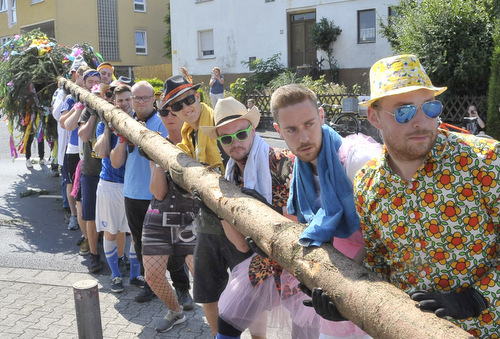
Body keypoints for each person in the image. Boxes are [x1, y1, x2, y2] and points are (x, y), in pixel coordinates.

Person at [345, 54, 496, 338]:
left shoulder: (484, 161)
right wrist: (343, 296)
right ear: (374, 117)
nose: (421, 121)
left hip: (484, 329)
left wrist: (479, 297)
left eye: (430, 108)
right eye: (404, 111)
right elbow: (379, 261)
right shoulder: (367, 183)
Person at [200, 97, 318, 339]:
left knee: (304, 334)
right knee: (226, 327)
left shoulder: (284, 163)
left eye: (241, 134)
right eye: (226, 138)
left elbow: (308, 223)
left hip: (299, 267)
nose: (235, 143)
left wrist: (266, 211)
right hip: (263, 262)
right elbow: (241, 244)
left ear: (252, 130)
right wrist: (219, 209)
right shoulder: (231, 177)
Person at [271, 84, 378, 339]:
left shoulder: (358, 160)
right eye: (292, 130)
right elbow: (302, 224)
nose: (303, 137)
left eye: (309, 124)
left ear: (321, 116)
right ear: (278, 131)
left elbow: (387, 235)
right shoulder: (299, 171)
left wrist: (345, 283)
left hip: (372, 287)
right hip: (331, 287)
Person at [161, 75, 252, 337]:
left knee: (252, 290)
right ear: (172, 111)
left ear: (198, 96)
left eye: (189, 99)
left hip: (238, 217)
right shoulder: (188, 132)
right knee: (207, 292)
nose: (186, 108)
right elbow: (183, 162)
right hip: (208, 221)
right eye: (177, 106)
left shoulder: (216, 122)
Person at [110, 81, 193, 304]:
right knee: (140, 244)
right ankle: (151, 285)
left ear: (153, 100)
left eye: (145, 98)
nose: (140, 102)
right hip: (133, 193)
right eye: (136, 98)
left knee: (174, 247)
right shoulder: (126, 123)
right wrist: (121, 139)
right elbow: (116, 163)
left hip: (162, 195)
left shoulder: (164, 119)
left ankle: (183, 290)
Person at [141, 92, 199, 332]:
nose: (170, 115)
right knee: (152, 275)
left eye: (175, 109)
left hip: (191, 217)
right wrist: (158, 159)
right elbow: (159, 192)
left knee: (203, 275)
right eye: (164, 111)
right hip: (159, 214)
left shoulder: (198, 142)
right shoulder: (155, 143)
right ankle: (175, 311)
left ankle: (223, 325)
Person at [93, 84, 139, 292]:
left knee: (135, 234)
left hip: (135, 186)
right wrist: (107, 126)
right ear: (114, 102)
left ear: (133, 100)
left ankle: (135, 276)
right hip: (110, 185)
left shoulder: (140, 121)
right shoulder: (106, 123)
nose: (125, 104)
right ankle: (115, 275)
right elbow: (102, 153)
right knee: (110, 232)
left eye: (128, 99)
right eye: (120, 100)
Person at [76, 70, 103, 273]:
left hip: (111, 172)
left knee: (113, 219)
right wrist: (94, 111)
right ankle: (94, 255)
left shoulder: (112, 105)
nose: (94, 86)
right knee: (91, 216)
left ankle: (117, 256)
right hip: (91, 170)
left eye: (97, 83)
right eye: (90, 82)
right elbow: (84, 136)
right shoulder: (86, 109)